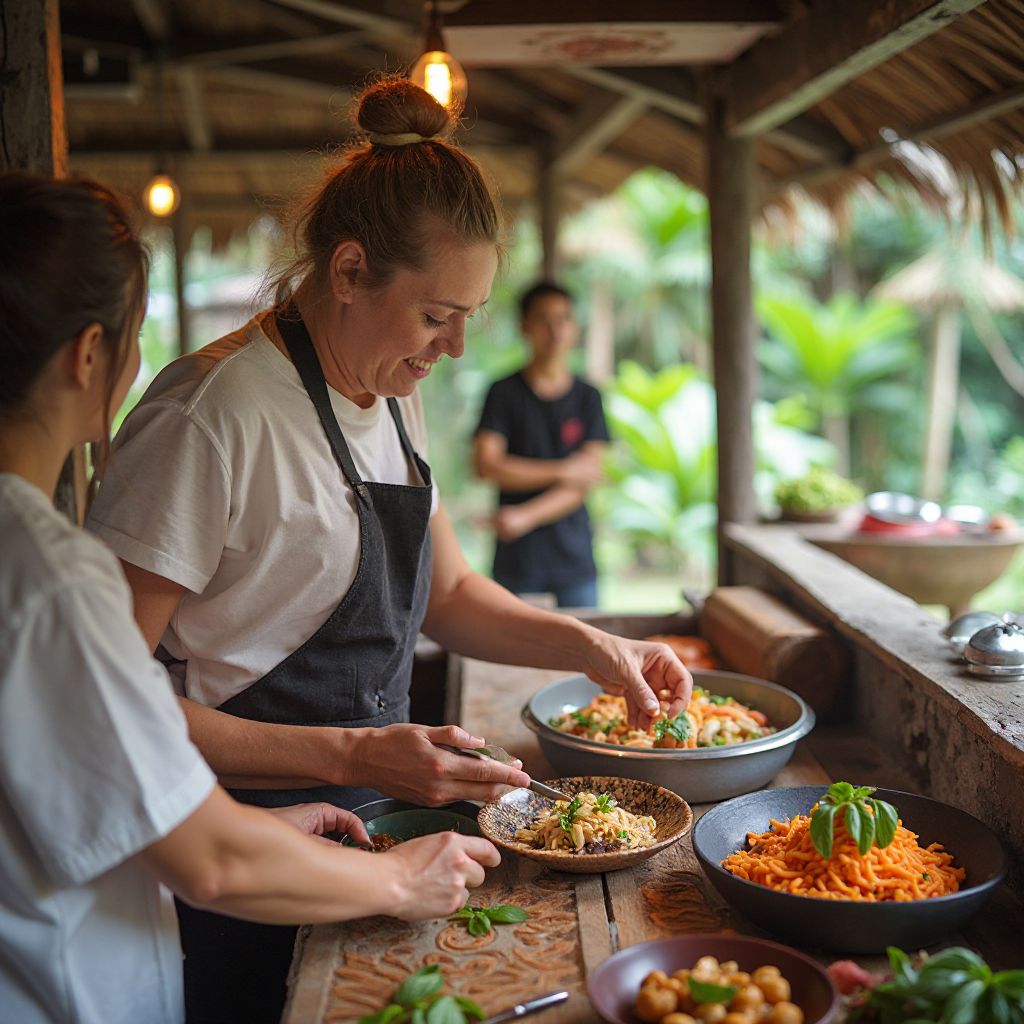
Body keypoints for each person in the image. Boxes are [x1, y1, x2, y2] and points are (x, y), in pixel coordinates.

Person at [85, 77, 693, 1022]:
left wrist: (590, 648)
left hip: (378, 820)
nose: (453, 349)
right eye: (436, 315)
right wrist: (357, 753)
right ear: (350, 269)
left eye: (471, 317)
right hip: (235, 836)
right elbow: (111, 707)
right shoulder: (213, 419)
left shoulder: (390, 395)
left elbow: (447, 591)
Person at [0, 174, 502, 1024]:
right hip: (65, 980)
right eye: (435, 315)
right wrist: (395, 874)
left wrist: (282, 827)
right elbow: (209, 863)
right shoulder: (51, 580)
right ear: (91, 356)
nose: (449, 344)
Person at [474, 282, 609, 607]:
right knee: (512, 655)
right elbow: (486, 465)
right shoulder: (503, 392)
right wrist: (565, 469)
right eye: (544, 320)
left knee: (585, 655)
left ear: (574, 327)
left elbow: (585, 481)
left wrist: (524, 517)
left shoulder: (588, 397)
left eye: (564, 319)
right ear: (524, 327)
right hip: (517, 563)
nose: (555, 330)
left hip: (574, 560)